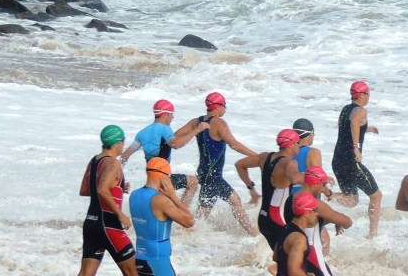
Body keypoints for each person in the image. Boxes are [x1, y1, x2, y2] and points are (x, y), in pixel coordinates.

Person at [49, 125, 139, 276]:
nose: (123, 145)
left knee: (85, 275)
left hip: (91, 223)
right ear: (117, 142)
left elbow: (86, 190)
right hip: (109, 226)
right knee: (132, 274)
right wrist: (121, 214)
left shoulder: (95, 161)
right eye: (123, 141)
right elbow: (101, 190)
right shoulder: (114, 163)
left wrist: (118, 187)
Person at [292, 166, 353, 276]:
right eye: (324, 184)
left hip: (293, 259)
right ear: (315, 183)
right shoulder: (316, 205)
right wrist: (334, 219)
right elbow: (347, 222)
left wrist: (326, 219)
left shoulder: (292, 200)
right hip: (313, 260)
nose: (324, 188)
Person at [122, 99, 210, 206]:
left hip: (150, 179)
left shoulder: (142, 133)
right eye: (171, 114)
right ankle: (182, 213)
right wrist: (197, 130)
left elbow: (124, 156)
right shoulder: (165, 129)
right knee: (193, 182)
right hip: (163, 179)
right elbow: (176, 144)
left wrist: (120, 181)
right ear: (165, 114)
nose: (172, 117)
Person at [194, 91, 259, 235]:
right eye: (224, 105)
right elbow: (234, 144)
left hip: (204, 173)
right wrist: (257, 157)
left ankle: (188, 233)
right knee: (234, 201)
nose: (225, 108)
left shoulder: (197, 121)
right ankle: (253, 234)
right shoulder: (218, 122)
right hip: (213, 175)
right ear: (218, 106)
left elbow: (176, 137)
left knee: (203, 212)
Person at [235, 129, 304, 250]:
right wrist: (319, 178)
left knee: (280, 257)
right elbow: (295, 178)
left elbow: (239, 164)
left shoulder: (264, 157)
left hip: (263, 219)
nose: (299, 145)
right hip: (278, 220)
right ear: (291, 144)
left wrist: (250, 187)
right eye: (298, 142)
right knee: (297, 256)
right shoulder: (289, 163)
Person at [331, 80, 382, 238]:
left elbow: (346, 127)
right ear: (362, 95)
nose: (369, 97)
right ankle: (373, 235)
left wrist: (366, 128)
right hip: (351, 161)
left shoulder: (345, 109)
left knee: (351, 200)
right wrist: (356, 148)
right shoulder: (361, 111)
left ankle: (325, 195)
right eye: (368, 94)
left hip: (338, 160)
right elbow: (354, 122)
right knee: (376, 196)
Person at [290, 118, 325, 194]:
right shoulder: (313, 153)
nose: (314, 135)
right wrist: (329, 194)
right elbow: (317, 179)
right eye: (313, 133)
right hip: (306, 198)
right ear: (309, 134)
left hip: (287, 198)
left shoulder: (287, 151)